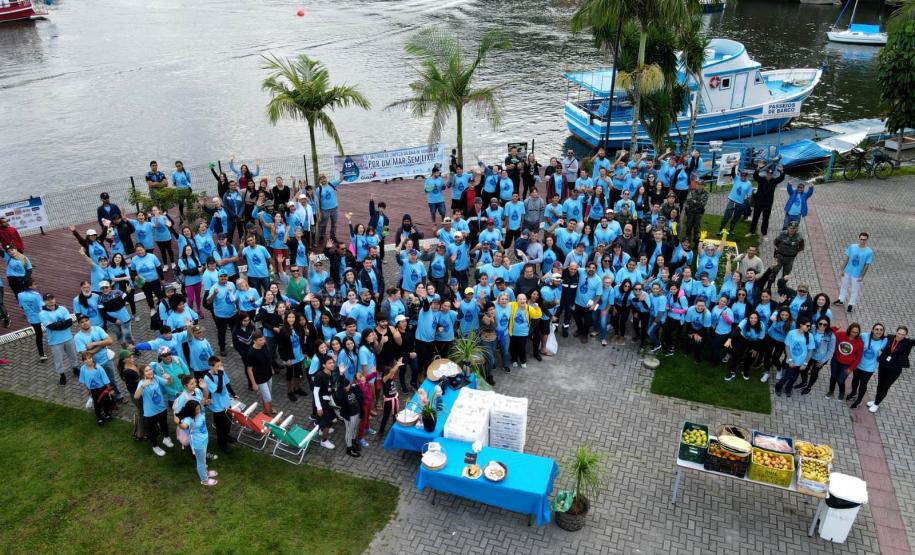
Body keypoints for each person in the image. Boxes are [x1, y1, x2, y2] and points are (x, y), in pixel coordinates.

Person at [869, 326, 913, 413]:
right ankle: (876, 401)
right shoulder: (889, 337)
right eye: (899, 333)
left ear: (906, 335)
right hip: (883, 366)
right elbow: (877, 336)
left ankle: (877, 404)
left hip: (894, 370)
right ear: (896, 332)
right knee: (880, 384)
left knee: (885, 387)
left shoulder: (908, 342)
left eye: (903, 335)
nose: (900, 336)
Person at [176, 400, 219, 486]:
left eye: (199, 408)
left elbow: (203, 403)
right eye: (196, 410)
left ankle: (206, 473)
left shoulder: (199, 413)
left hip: (204, 440)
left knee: (203, 460)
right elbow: (184, 426)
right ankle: (204, 480)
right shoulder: (188, 419)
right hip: (198, 444)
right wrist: (178, 422)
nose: (198, 411)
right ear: (191, 410)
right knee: (201, 462)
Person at [38, 293, 79, 384]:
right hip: (55, 342)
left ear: (55, 299)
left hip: (68, 338)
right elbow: (52, 326)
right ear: (44, 302)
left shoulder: (63, 308)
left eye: (52, 298)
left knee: (73, 355)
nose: (50, 300)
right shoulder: (42, 314)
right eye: (48, 299)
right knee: (58, 360)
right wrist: (63, 323)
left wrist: (59, 324)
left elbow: (69, 322)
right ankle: (62, 375)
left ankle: (75, 368)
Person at [134, 364, 174, 457]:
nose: (150, 371)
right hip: (150, 413)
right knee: (152, 431)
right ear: (142, 374)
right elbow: (136, 396)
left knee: (164, 425)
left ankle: (166, 438)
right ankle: (155, 447)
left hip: (162, 408)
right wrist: (143, 386)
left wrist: (169, 378)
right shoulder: (141, 383)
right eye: (147, 371)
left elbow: (168, 383)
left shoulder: (155, 378)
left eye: (150, 369)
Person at [846, 323, 888, 409]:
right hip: (859, 364)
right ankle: (853, 393)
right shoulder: (864, 336)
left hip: (869, 368)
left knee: (863, 384)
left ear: (883, 331)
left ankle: (859, 400)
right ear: (872, 330)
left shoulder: (884, 341)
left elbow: (885, 352)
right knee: (855, 380)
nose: (879, 331)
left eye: (881, 330)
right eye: (876, 329)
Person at [775, 317, 815, 397]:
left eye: (809, 326)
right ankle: (778, 387)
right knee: (787, 376)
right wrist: (790, 360)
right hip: (791, 361)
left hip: (801, 362)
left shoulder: (810, 336)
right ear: (801, 325)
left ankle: (788, 389)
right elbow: (787, 346)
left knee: (794, 378)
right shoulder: (791, 333)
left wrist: (805, 363)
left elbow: (810, 350)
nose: (809, 327)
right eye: (807, 326)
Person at [834, 232, 873, 314]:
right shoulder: (852, 247)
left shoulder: (869, 252)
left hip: (857, 274)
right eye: (861, 239)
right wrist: (842, 269)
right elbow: (847, 258)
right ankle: (841, 299)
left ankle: (851, 304)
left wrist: (862, 276)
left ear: (867, 240)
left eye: (864, 240)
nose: (862, 241)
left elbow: (867, 265)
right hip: (848, 271)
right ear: (859, 238)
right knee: (843, 285)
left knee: (854, 290)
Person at [725, 313, 767, 381]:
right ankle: (732, 371)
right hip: (743, 338)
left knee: (751, 356)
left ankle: (745, 370)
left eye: (755, 318)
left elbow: (761, 339)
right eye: (751, 318)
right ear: (748, 318)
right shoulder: (745, 321)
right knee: (737, 354)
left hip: (754, 341)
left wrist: (755, 349)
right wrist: (729, 339)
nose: (753, 320)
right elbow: (737, 329)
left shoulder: (762, 325)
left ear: (758, 319)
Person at [77, 351, 116, 426]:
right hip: (93, 390)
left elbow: (106, 380)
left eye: (90, 358)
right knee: (96, 403)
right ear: (83, 361)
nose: (88, 360)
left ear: (92, 358)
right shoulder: (83, 369)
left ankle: (107, 414)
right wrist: (88, 390)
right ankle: (99, 418)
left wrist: (110, 390)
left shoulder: (99, 368)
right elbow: (84, 381)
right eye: (86, 359)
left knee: (106, 402)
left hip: (102, 389)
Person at [826, 323, 863, 399]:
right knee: (833, 377)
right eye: (852, 331)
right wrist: (836, 327)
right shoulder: (841, 335)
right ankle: (831, 391)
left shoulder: (860, 343)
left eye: (856, 332)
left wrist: (851, 368)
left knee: (840, 380)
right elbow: (829, 332)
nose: (854, 334)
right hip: (835, 361)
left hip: (847, 365)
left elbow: (858, 358)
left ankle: (842, 392)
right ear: (849, 330)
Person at [800, 317, 836, 395]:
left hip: (820, 358)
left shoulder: (831, 336)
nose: (822, 325)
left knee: (814, 373)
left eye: (825, 324)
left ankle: (809, 387)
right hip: (810, 354)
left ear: (828, 325)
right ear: (817, 323)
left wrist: (822, 361)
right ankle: (804, 382)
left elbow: (831, 350)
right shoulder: (812, 328)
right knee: (803, 369)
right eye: (820, 323)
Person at [748, 162, 784, 238]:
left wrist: (781, 171)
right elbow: (755, 176)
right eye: (768, 174)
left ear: (772, 175)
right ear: (766, 174)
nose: (769, 175)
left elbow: (781, 178)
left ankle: (764, 233)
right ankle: (751, 232)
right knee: (755, 218)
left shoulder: (774, 181)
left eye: (770, 175)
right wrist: (758, 168)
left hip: (767, 204)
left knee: (766, 219)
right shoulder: (761, 179)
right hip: (758, 203)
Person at [245, 331, 275, 416]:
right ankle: (270, 417)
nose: (263, 341)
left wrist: (271, 368)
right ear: (254, 341)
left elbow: (268, 358)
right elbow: (249, 369)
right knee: (268, 398)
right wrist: (254, 383)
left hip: (268, 374)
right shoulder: (251, 353)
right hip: (260, 378)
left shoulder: (264, 345)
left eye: (263, 339)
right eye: (260, 340)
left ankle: (268, 409)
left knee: (267, 395)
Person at [313, 355, 339, 449]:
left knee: (327, 419)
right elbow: (315, 392)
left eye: (333, 362)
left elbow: (330, 388)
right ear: (324, 365)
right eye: (329, 363)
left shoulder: (330, 373)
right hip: (321, 402)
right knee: (328, 423)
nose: (332, 364)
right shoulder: (319, 376)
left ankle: (321, 429)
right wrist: (319, 407)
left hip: (327, 400)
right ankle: (324, 441)